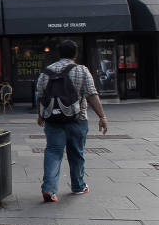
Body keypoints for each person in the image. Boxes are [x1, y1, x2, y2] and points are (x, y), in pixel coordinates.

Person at [36, 40, 108, 203]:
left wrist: (40, 115)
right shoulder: (81, 70)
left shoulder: (46, 72)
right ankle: (78, 186)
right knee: (76, 153)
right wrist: (102, 116)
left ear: (58, 53)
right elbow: (91, 94)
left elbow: (40, 95)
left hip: (52, 119)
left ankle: (49, 189)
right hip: (78, 118)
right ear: (75, 54)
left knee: (53, 152)